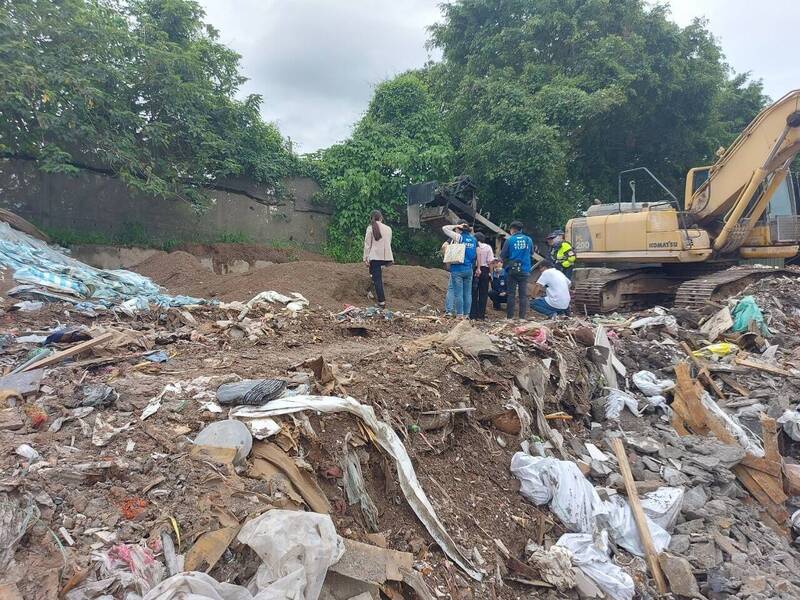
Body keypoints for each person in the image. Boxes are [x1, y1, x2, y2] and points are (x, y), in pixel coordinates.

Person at [500, 221, 534, 319]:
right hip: (525, 269)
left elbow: (503, 255)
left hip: (512, 270)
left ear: (512, 229)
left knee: (511, 294)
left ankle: (510, 317)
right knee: (523, 295)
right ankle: (522, 318)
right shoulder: (528, 240)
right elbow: (531, 253)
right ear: (521, 229)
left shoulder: (509, 240)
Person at [442, 222, 477, 318]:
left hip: (458, 269)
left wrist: (456, 226)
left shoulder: (459, 237)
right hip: (469, 268)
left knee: (458, 293)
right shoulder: (474, 240)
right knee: (467, 293)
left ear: (460, 229)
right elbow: (474, 255)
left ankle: (460, 314)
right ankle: (467, 314)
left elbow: (445, 228)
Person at [363, 210, 393, 308]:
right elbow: (389, 242)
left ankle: (381, 302)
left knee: (377, 279)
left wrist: (366, 258)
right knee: (374, 274)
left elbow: (367, 245)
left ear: (371, 218)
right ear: (381, 218)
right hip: (386, 257)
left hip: (375, 256)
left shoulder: (370, 228)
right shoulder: (388, 228)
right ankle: (372, 290)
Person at [469, 232, 494, 319]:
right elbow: (490, 262)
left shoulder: (473, 246)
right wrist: (491, 273)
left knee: (473, 293)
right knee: (483, 293)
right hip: (485, 270)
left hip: (474, 269)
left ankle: (472, 314)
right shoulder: (488, 247)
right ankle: (481, 315)